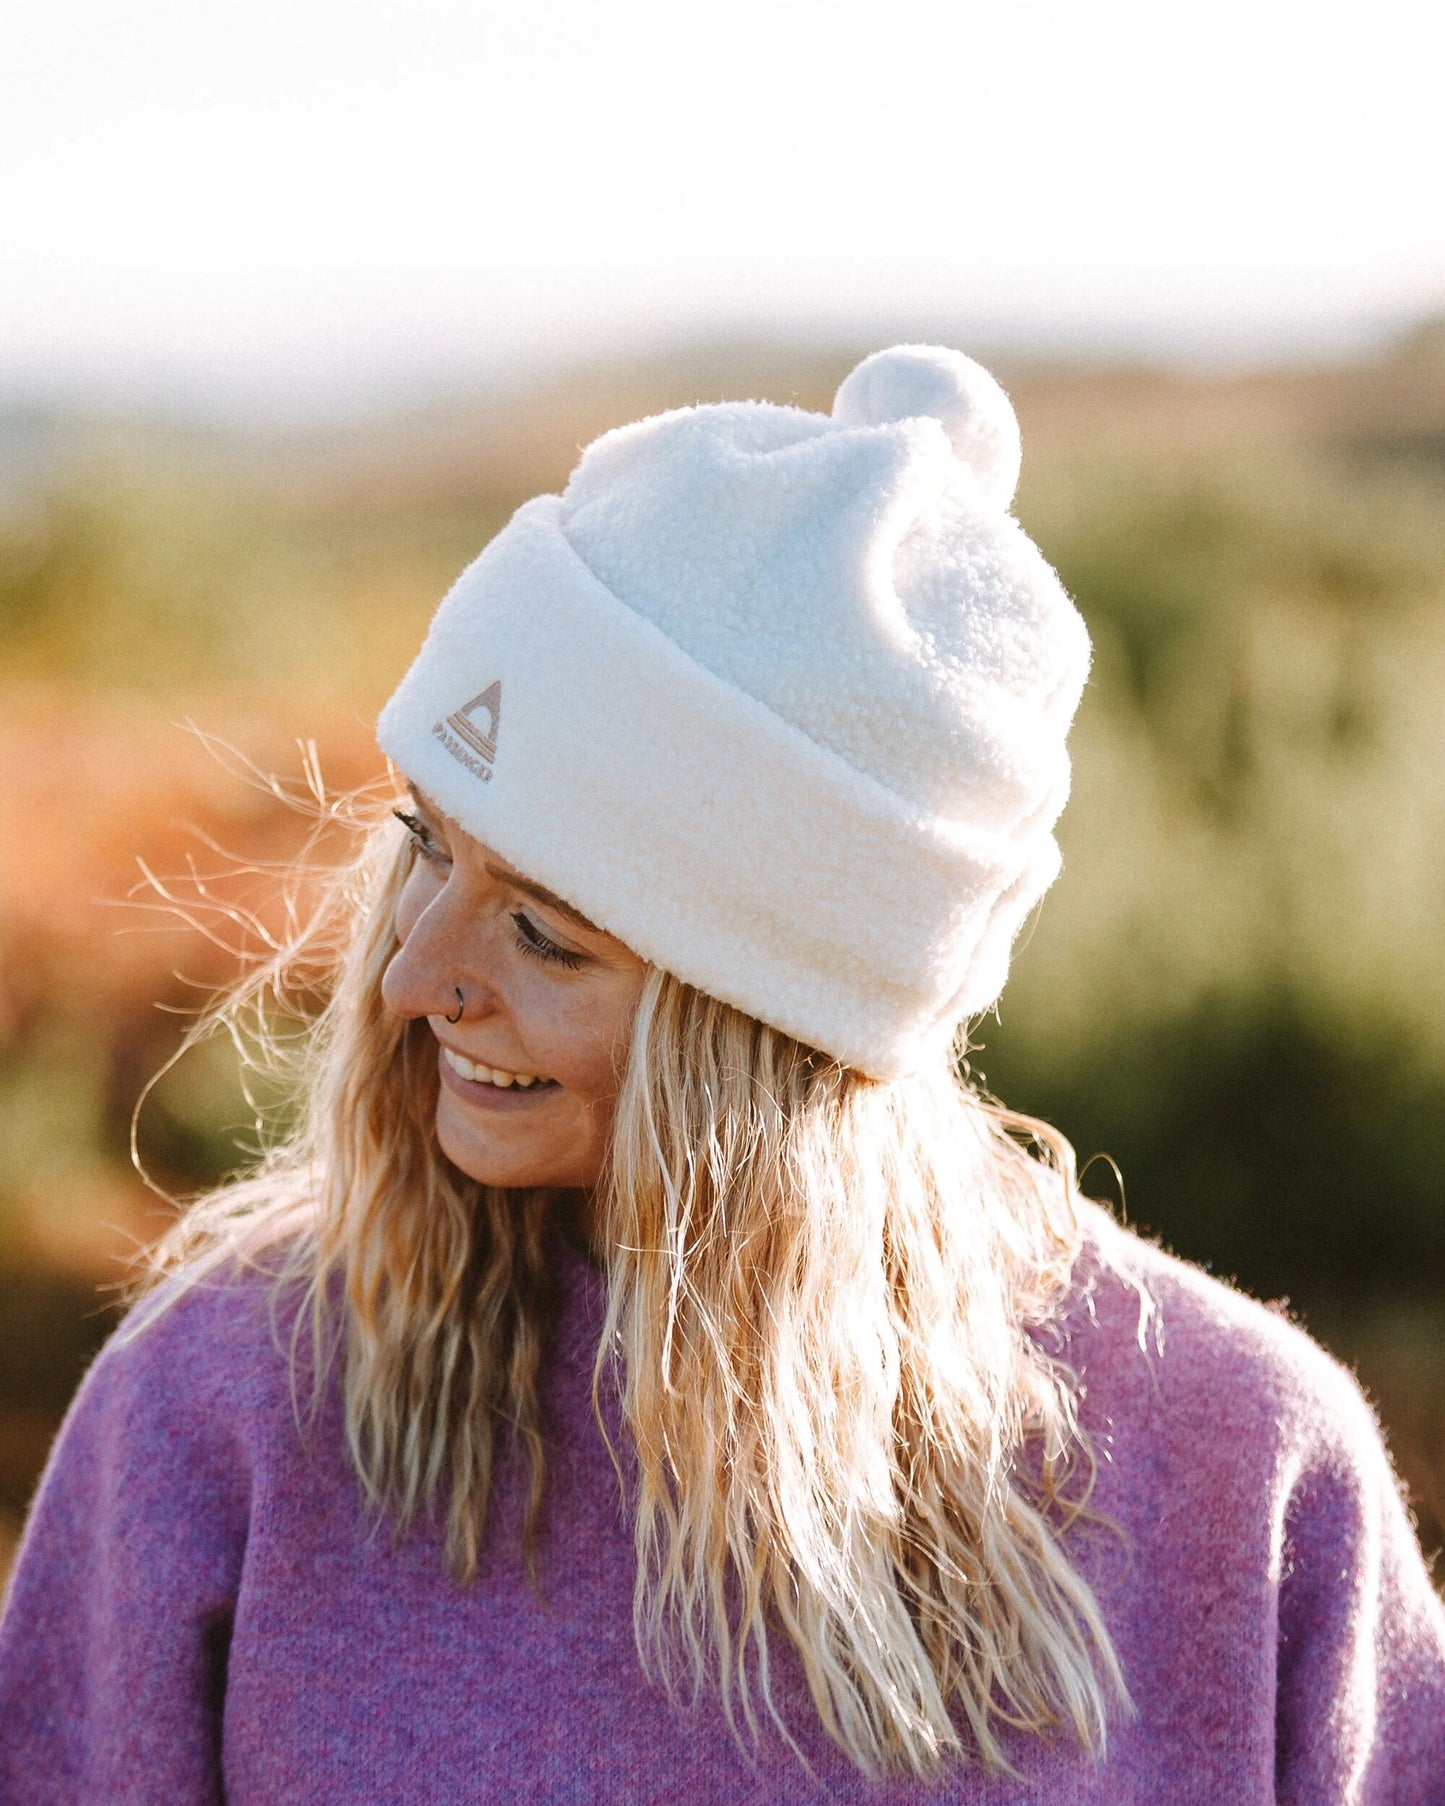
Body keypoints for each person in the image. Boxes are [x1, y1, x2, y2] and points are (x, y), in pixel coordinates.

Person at [0, 345, 1442, 1803]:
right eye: (425, 841)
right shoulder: (222, 1408)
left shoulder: (1237, 1477)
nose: (409, 975)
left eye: (545, 934)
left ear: (778, 1037)